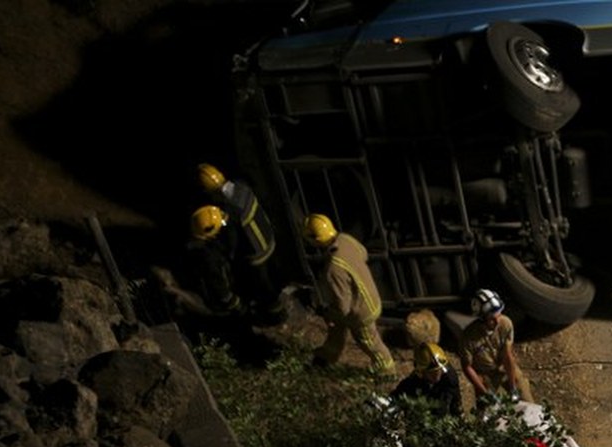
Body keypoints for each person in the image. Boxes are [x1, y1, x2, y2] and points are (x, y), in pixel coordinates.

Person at [305, 213, 396, 376]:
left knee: (370, 342)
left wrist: (327, 313)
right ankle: (325, 356)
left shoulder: (334, 268)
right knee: (336, 331)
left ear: (315, 240)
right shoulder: (346, 240)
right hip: (368, 296)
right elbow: (363, 253)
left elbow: (343, 307)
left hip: (362, 312)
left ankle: (387, 371)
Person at [196, 163, 284, 323]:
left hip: (257, 256)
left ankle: (275, 317)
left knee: (264, 288)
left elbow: (232, 242)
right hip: (269, 241)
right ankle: (277, 308)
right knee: (273, 281)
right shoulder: (242, 187)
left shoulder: (232, 212)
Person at [459, 288, 532, 405]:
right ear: (482, 319)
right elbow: (467, 367)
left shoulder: (505, 324)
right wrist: (485, 393)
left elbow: (507, 355)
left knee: (526, 398)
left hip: (503, 366)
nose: (497, 321)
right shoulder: (469, 337)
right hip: (484, 374)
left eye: (498, 315)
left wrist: (513, 387)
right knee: (487, 413)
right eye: (492, 319)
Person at [391, 342, 462, 417]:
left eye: (439, 370)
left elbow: (456, 405)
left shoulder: (449, 378)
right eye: (432, 372)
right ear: (422, 372)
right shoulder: (411, 384)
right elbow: (395, 399)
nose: (437, 375)